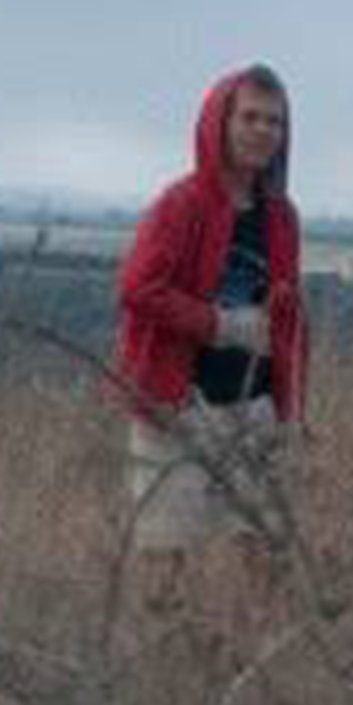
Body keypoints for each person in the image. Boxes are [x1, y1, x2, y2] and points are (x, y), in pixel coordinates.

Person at [108, 63, 315, 555]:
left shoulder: (281, 216)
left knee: (264, 551)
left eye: (274, 121)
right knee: (168, 558)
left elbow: (289, 315)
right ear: (220, 122)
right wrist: (219, 325)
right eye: (250, 117)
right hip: (179, 409)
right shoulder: (181, 204)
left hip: (256, 407)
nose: (263, 130)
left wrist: (293, 407)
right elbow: (137, 287)